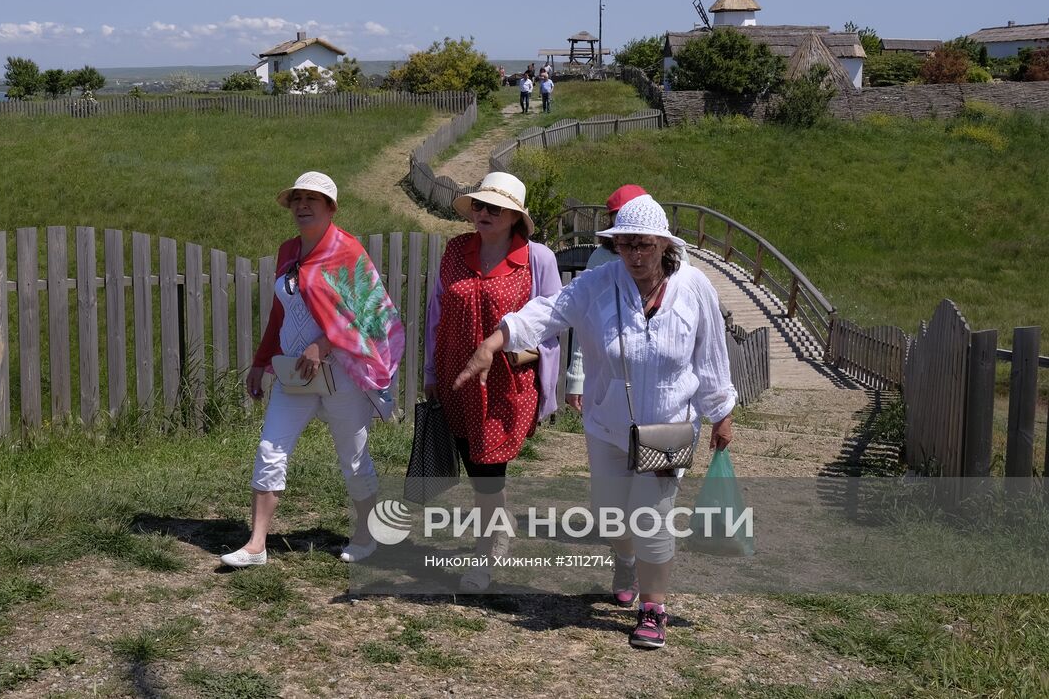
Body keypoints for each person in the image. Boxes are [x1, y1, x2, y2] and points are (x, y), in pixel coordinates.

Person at [453, 194, 735, 650]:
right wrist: (494, 341)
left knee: (652, 517)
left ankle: (652, 607)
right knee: (613, 516)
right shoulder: (597, 283)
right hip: (607, 423)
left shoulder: (695, 287)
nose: (635, 256)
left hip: (669, 424)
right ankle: (624, 559)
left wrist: (721, 410)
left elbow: (710, 355)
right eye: (625, 246)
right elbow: (546, 312)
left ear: (664, 244)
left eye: (643, 245)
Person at [221, 172, 406, 568]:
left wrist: (323, 344)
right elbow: (279, 312)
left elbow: (370, 317)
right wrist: (260, 361)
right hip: (294, 375)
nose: (303, 206)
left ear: (331, 208)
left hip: (341, 375)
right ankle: (256, 545)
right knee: (270, 449)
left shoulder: (348, 252)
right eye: (297, 199)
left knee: (353, 458)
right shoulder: (288, 251)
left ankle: (365, 532)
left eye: (313, 200)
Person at [423, 172, 562, 591]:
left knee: (487, 469)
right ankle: (498, 527)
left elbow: (555, 321)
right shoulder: (454, 251)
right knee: (478, 468)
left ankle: (483, 557)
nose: (482, 213)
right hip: (455, 377)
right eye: (478, 206)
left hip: (506, 384)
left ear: (515, 216)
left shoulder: (537, 258)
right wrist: (431, 372)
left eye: (493, 208)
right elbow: (437, 313)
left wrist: (525, 357)